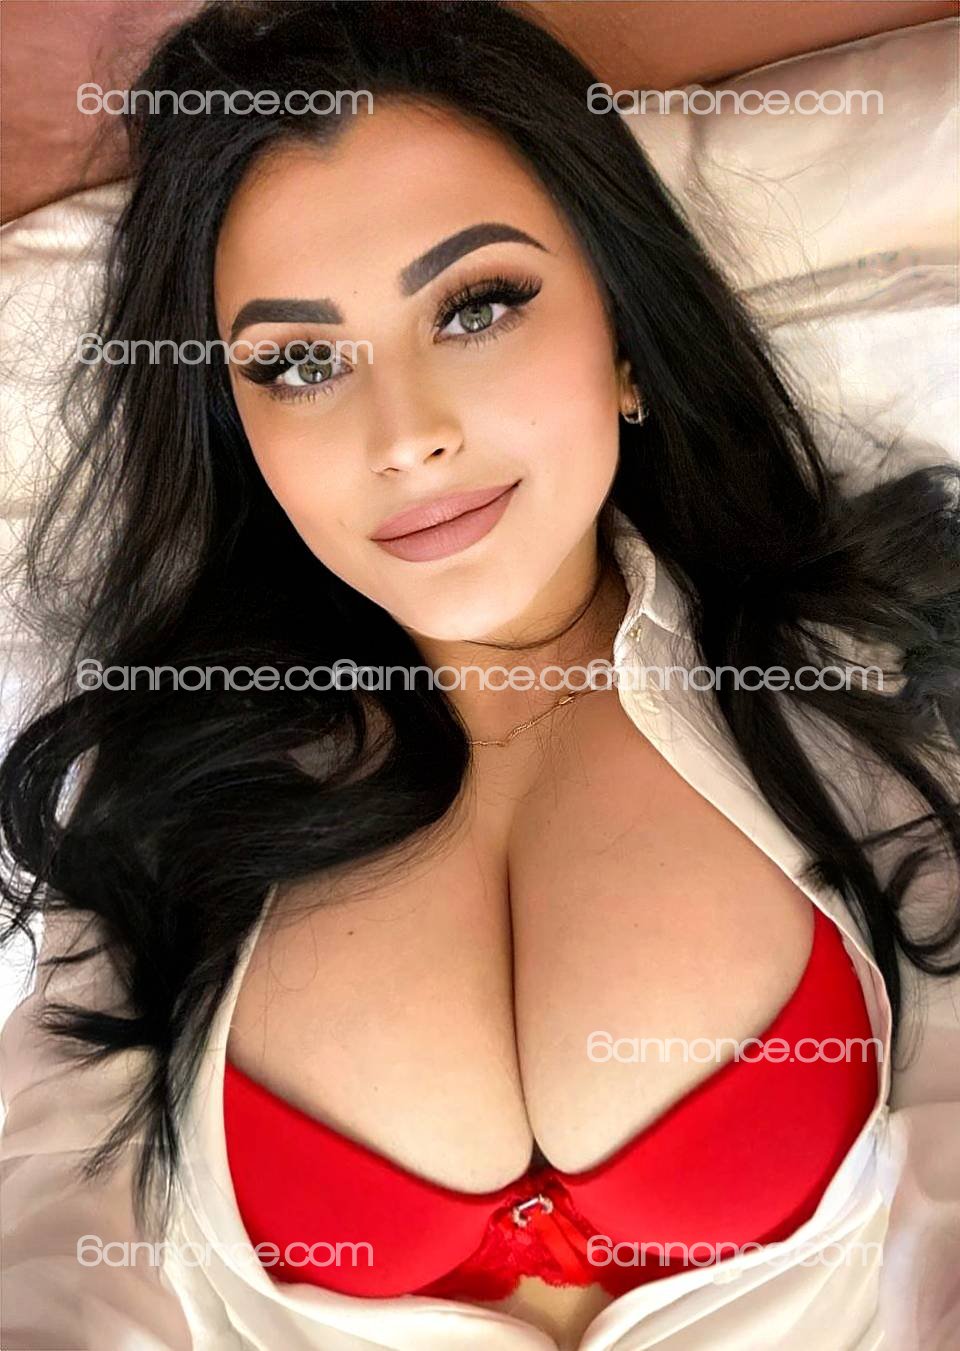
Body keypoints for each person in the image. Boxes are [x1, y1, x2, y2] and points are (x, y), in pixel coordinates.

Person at [1, 3, 957, 1348]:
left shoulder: (871, 677)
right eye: (300, 363)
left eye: (477, 306)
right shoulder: (162, 780)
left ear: (625, 337)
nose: (407, 438)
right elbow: (55, 1228)